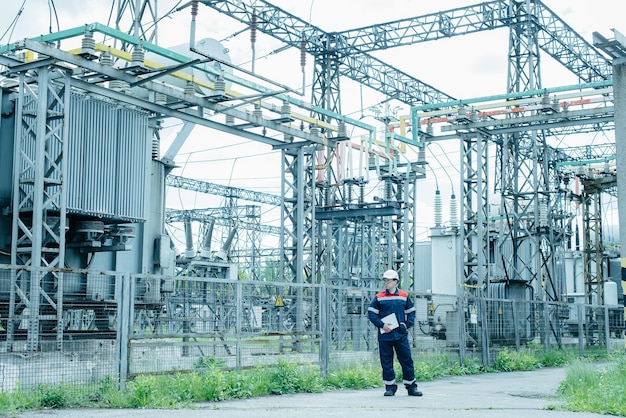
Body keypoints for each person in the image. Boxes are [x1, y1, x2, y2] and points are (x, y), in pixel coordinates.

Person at [367, 269, 422, 397]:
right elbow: (371, 313)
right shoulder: (379, 297)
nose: (385, 283)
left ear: (395, 281)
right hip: (385, 335)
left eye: (388, 280)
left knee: (407, 360)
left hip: (400, 335)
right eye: (384, 280)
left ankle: (411, 387)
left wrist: (406, 325)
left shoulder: (403, 296)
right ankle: (390, 387)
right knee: (386, 361)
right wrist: (382, 325)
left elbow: (411, 312)